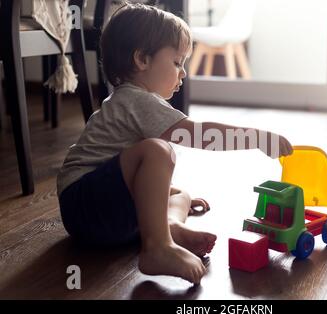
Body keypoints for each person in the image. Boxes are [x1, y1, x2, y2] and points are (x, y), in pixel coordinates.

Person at [57, 3, 293, 285]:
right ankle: (158, 247)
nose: (183, 72)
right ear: (142, 59)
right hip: (84, 205)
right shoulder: (137, 100)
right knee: (158, 150)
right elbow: (202, 135)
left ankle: (170, 227)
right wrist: (257, 137)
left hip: (101, 212)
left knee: (179, 193)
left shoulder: (133, 100)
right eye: (177, 62)